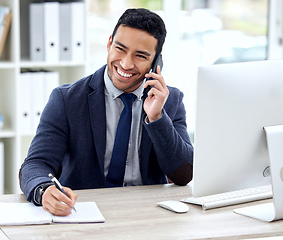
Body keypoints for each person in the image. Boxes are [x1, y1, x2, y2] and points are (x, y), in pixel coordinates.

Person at [19, 8, 194, 216]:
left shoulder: (170, 100)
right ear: (109, 43)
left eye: (140, 55)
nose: (126, 64)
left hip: (148, 215)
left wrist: (157, 117)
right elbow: (35, 164)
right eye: (120, 49)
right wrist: (44, 190)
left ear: (157, 61)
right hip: (84, 213)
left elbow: (184, 175)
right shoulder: (67, 100)